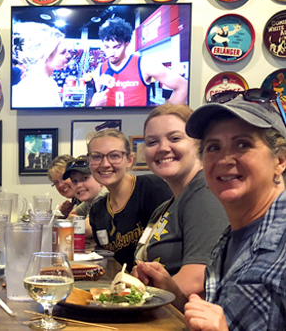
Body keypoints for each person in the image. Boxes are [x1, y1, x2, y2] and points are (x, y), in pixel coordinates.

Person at [134, 96, 286, 331]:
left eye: (243, 144)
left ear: (280, 159)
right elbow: (217, 317)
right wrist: (171, 292)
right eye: (214, 147)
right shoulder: (230, 238)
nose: (225, 159)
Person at [133, 104, 228, 300]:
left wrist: (134, 300)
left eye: (175, 138)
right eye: (152, 142)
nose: (163, 148)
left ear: (198, 144)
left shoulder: (205, 192)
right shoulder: (167, 205)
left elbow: (196, 279)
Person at [87, 128, 172, 270]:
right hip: (123, 286)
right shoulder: (98, 209)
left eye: (114, 156)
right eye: (96, 157)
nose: (105, 164)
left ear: (130, 160)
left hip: (158, 284)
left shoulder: (151, 188)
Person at [90, 17, 188, 107]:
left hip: (138, 124)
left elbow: (183, 86)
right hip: (110, 125)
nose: (111, 53)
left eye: (117, 47)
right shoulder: (99, 71)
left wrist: (166, 116)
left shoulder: (144, 64)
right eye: (107, 47)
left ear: (126, 44)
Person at [12, 22, 71, 108]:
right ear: (45, 55)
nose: (69, 55)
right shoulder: (39, 88)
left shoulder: (47, 83)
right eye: (63, 52)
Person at [64, 156, 108, 238]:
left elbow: (88, 230)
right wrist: (80, 224)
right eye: (74, 181)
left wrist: (71, 225)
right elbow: (71, 215)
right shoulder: (90, 200)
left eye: (85, 178)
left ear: (101, 179)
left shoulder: (103, 197)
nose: (79, 185)